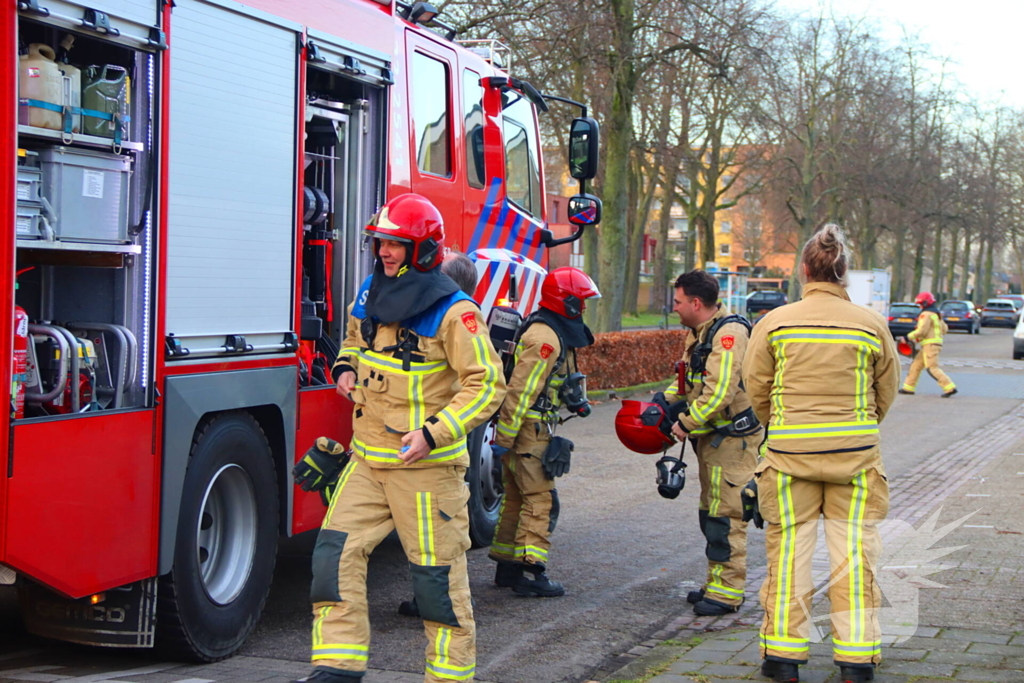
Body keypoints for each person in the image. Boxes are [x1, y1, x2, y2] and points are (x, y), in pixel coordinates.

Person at [295, 193, 506, 683]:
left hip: (426, 470)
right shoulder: (372, 290)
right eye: (381, 242)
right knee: (334, 556)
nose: (384, 251)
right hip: (367, 462)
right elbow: (352, 337)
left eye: (395, 244)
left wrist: (435, 434)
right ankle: (338, 666)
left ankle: (448, 676)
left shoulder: (456, 313)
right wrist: (345, 364)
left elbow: (487, 384)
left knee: (436, 581)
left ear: (423, 250)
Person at [743, 224, 900, 683]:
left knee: (788, 555)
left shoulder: (776, 322)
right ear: (843, 272)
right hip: (856, 459)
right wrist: (859, 427)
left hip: (790, 458)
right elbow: (886, 391)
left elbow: (756, 389)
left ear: (805, 270)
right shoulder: (872, 325)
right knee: (854, 558)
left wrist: (784, 426)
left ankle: (783, 659)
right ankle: (854, 663)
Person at [487, 267, 599, 596]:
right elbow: (520, 393)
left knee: (516, 499)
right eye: (581, 301)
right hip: (529, 433)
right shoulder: (545, 339)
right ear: (565, 302)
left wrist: (574, 399)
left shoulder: (548, 330)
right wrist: (504, 440)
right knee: (540, 501)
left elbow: (551, 382)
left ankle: (506, 569)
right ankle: (531, 573)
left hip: (527, 431)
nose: (585, 308)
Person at [658, 270, 762, 617]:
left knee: (727, 515)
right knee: (711, 513)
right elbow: (690, 383)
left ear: (695, 303)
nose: (674, 307)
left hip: (733, 442)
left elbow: (720, 391)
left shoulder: (728, 334)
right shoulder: (702, 333)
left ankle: (727, 592)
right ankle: (716, 582)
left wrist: (685, 423)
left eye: (678, 301)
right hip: (715, 438)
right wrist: (663, 403)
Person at [899, 292, 956, 398]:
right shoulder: (937, 314)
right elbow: (945, 329)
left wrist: (907, 338)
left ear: (925, 303)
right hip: (932, 345)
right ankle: (908, 388)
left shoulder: (925, 314)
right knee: (916, 365)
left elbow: (922, 331)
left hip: (929, 346)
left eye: (920, 304)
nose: (920, 306)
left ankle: (949, 387)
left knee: (932, 368)